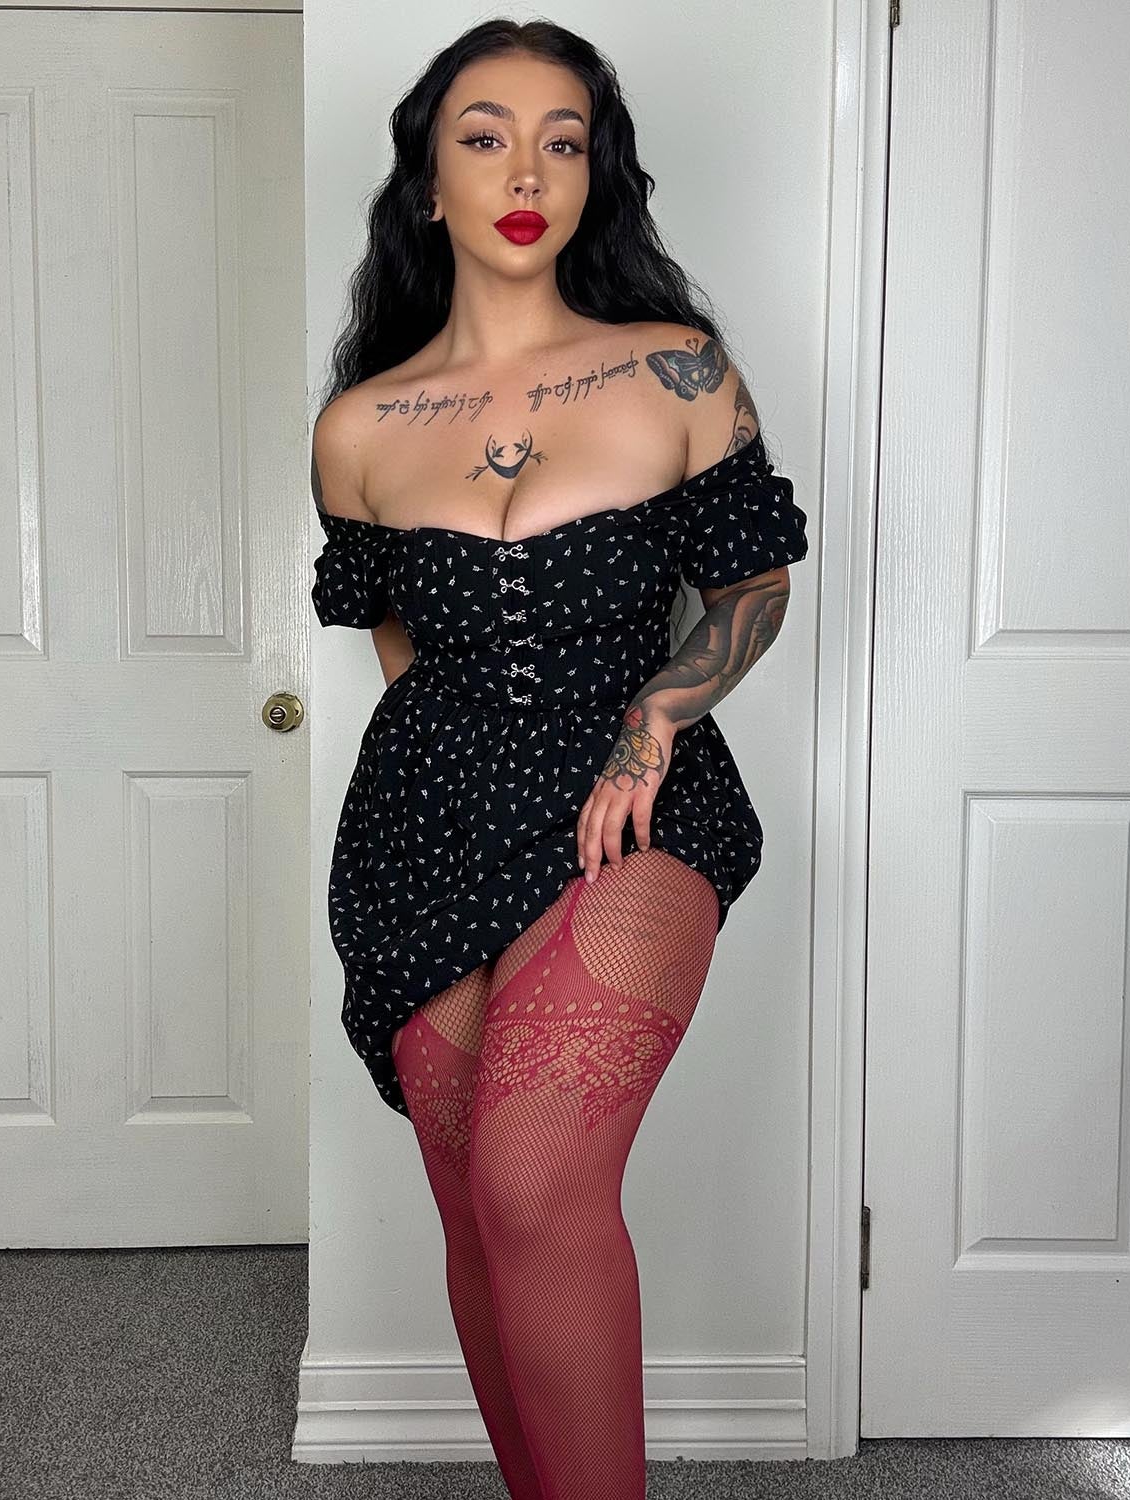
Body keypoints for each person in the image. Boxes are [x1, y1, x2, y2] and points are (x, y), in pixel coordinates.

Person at [308, 18, 809, 1500]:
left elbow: (752, 587)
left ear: (597, 176)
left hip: (631, 813)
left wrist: (654, 721)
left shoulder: (676, 372)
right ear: (428, 180)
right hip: (419, 835)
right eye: (485, 138)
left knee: (535, 1182)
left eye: (563, 140)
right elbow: (396, 640)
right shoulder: (359, 428)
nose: (526, 171)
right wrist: (456, 763)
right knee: (476, 1212)